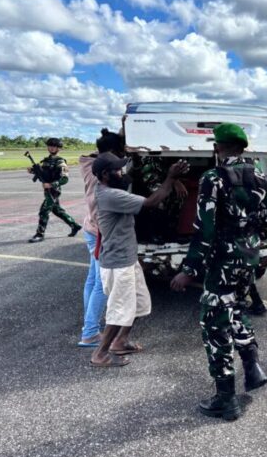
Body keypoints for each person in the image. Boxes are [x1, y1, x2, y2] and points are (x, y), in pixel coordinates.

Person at [170, 124, 267, 421]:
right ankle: (252, 366)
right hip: (249, 257)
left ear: (217, 147)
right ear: (243, 147)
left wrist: (189, 269)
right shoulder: (260, 175)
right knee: (236, 308)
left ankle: (226, 398)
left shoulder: (213, 178)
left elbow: (204, 228)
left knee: (215, 326)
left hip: (222, 261)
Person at [90, 152, 189, 367]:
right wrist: (171, 177)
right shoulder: (110, 196)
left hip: (127, 258)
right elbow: (153, 201)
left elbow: (128, 179)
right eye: (117, 169)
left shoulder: (110, 188)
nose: (121, 172)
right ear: (105, 175)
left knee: (139, 303)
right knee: (119, 310)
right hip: (118, 263)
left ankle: (121, 341)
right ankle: (100, 353)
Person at [76, 129, 124, 348]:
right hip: (100, 233)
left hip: (90, 229)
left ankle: (90, 326)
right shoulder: (104, 180)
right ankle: (90, 333)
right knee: (102, 285)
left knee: (93, 279)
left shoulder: (88, 163)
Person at [28, 137, 81, 243]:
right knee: (57, 210)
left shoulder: (60, 162)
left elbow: (64, 179)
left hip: (54, 190)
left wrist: (51, 185)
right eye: (50, 146)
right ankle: (74, 225)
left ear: (58, 148)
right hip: (47, 190)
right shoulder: (46, 161)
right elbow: (45, 173)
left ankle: (40, 234)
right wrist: (34, 171)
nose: (51, 148)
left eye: (54, 146)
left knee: (44, 211)